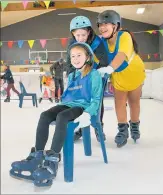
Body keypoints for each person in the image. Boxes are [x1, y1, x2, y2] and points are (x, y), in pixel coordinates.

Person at [10, 42, 103, 187]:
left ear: (88, 57)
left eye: (79, 55)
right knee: (45, 115)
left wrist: (87, 113)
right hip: (68, 104)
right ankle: (37, 156)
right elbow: (68, 96)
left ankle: (52, 160)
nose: (76, 58)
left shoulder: (94, 74)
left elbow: (96, 100)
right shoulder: (72, 75)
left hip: (82, 107)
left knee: (62, 117)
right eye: (73, 56)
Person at [97, 10, 146, 147]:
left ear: (116, 26)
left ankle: (135, 126)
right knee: (119, 103)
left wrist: (109, 68)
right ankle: (123, 131)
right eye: (100, 24)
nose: (102, 27)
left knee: (134, 102)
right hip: (119, 76)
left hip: (134, 73)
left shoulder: (124, 36)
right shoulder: (103, 42)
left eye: (107, 24)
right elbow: (95, 58)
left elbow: (121, 55)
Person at [67, 15, 109, 142]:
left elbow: (104, 61)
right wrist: (71, 77)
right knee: (79, 101)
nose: (80, 38)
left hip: (96, 75)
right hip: (80, 77)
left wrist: (95, 74)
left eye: (83, 35)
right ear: (73, 34)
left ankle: (98, 126)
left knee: (97, 102)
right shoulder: (72, 44)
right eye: (77, 35)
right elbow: (69, 62)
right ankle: (80, 128)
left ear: (89, 32)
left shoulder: (97, 42)